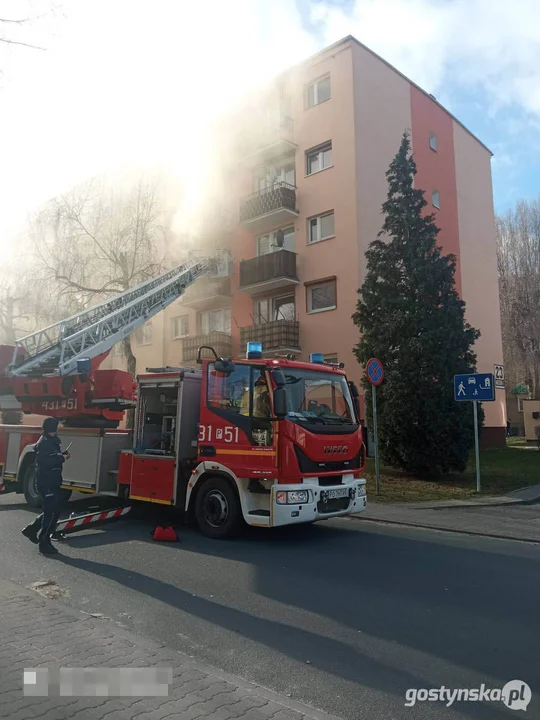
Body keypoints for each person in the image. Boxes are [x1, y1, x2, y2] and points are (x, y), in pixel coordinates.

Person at [21, 418, 71, 555]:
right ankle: (44, 543)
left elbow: (52, 458)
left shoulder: (52, 441)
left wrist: (61, 455)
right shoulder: (44, 443)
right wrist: (62, 458)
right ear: (52, 428)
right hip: (46, 482)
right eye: (57, 426)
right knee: (50, 512)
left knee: (54, 509)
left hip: (53, 480)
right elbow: (45, 462)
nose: (58, 428)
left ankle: (32, 529)